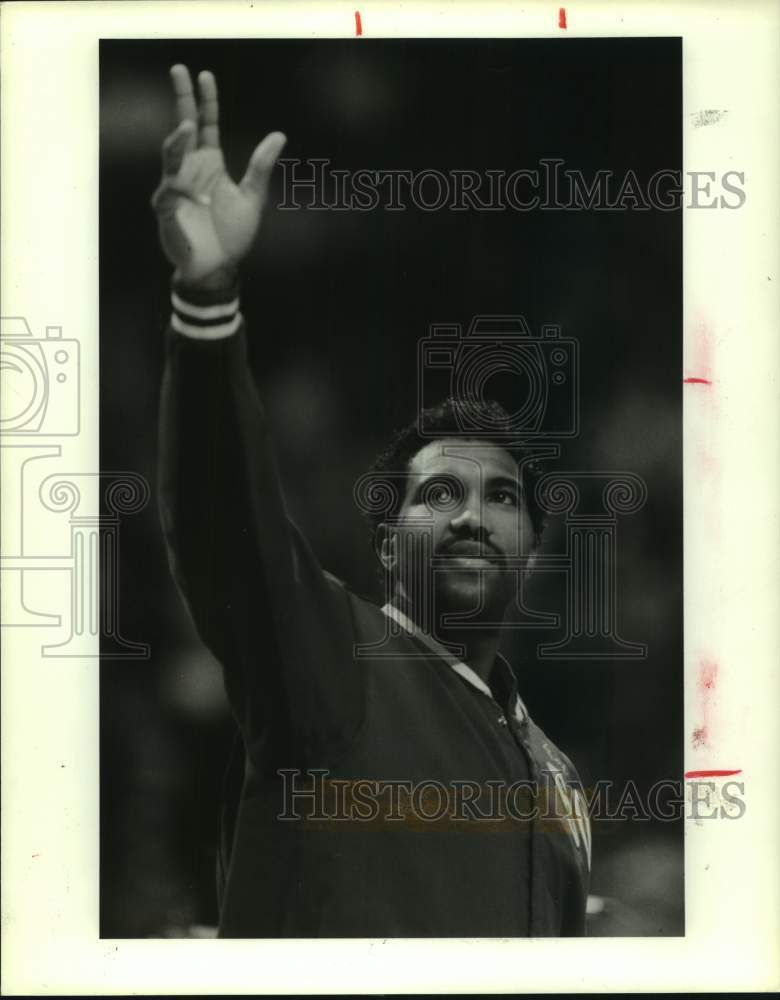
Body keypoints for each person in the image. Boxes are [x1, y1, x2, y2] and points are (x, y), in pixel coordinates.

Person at [154, 64, 590, 937]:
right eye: (438, 493)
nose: (472, 514)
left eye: (502, 497)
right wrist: (208, 301)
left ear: (532, 551)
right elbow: (225, 517)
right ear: (388, 545)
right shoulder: (330, 659)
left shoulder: (560, 775)